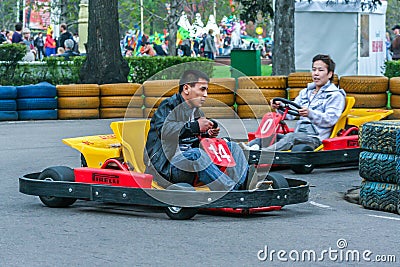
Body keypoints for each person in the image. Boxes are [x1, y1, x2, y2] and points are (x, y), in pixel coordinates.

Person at [144, 69, 248, 191]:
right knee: (197, 155)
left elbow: (193, 137)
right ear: (187, 89)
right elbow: (164, 130)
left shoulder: (196, 110)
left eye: (207, 90)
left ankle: (242, 187)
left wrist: (206, 133)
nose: (206, 95)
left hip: (190, 164)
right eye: (202, 89)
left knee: (232, 146)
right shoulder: (168, 105)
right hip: (167, 167)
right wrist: (195, 126)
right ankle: (230, 191)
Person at [243, 54, 346, 151]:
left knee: (290, 137)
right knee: (269, 137)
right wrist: (280, 107)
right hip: (299, 133)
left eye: (320, 70)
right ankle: (245, 150)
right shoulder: (306, 92)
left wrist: (310, 114)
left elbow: (330, 120)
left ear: (330, 74)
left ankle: (263, 153)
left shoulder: (335, 95)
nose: (316, 73)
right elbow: (291, 115)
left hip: (316, 138)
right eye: (314, 70)